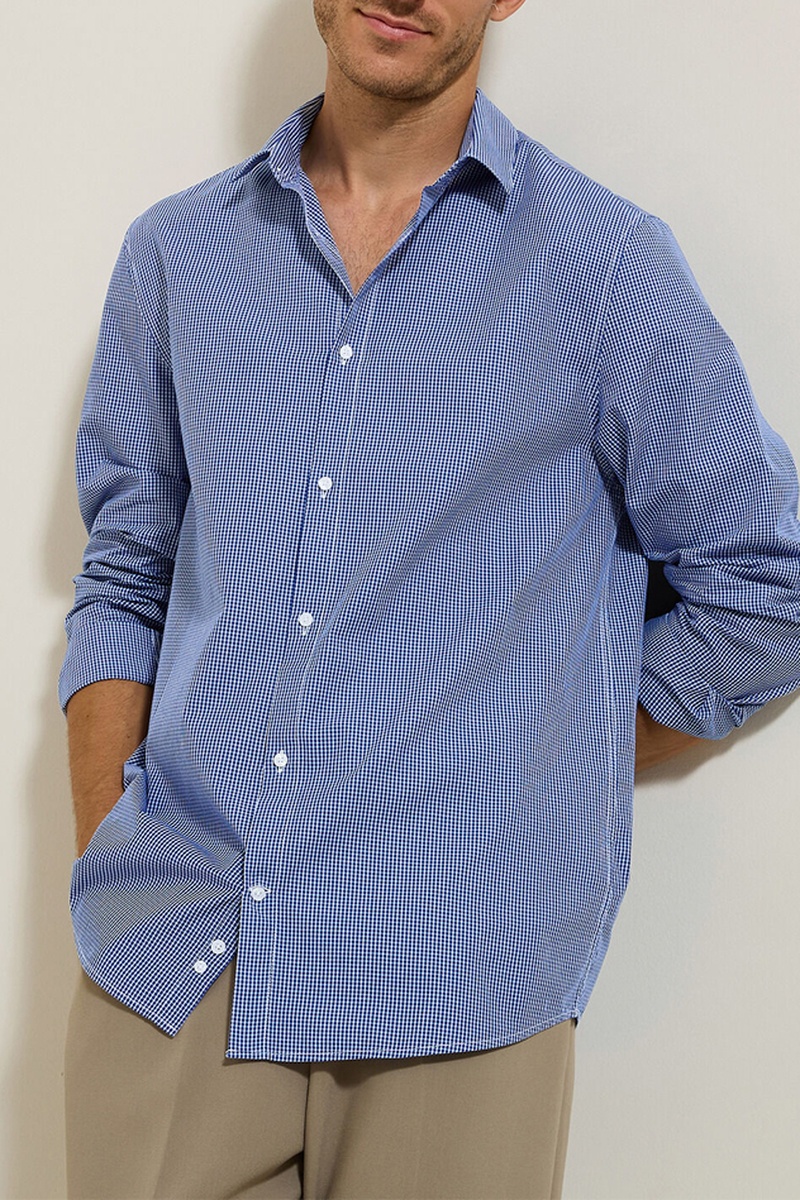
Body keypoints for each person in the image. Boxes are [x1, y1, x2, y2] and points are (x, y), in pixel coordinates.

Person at [60, 1, 800, 1197]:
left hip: (455, 979)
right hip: (180, 960)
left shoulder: (601, 266)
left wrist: (550, 749)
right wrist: (108, 842)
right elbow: (126, 568)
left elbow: (767, 583)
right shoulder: (177, 252)